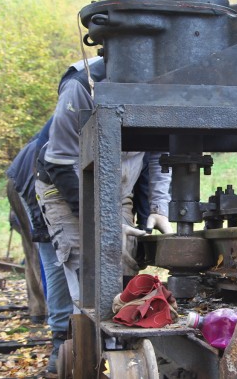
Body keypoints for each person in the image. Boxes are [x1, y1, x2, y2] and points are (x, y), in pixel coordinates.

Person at [35, 56, 172, 317]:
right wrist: (98, 218)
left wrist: (158, 207)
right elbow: (60, 162)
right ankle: (88, 346)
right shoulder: (82, 85)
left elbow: (158, 153)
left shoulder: (166, 84)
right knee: (90, 278)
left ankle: (121, 336)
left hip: (117, 191)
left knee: (122, 272)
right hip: (66, 190)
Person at [6, 118, 74, 376]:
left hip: (50, 173)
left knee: (50, 252)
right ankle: (57, 336)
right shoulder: (77, 96)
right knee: (51, 253)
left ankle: (41, 310)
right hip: (32, 177)